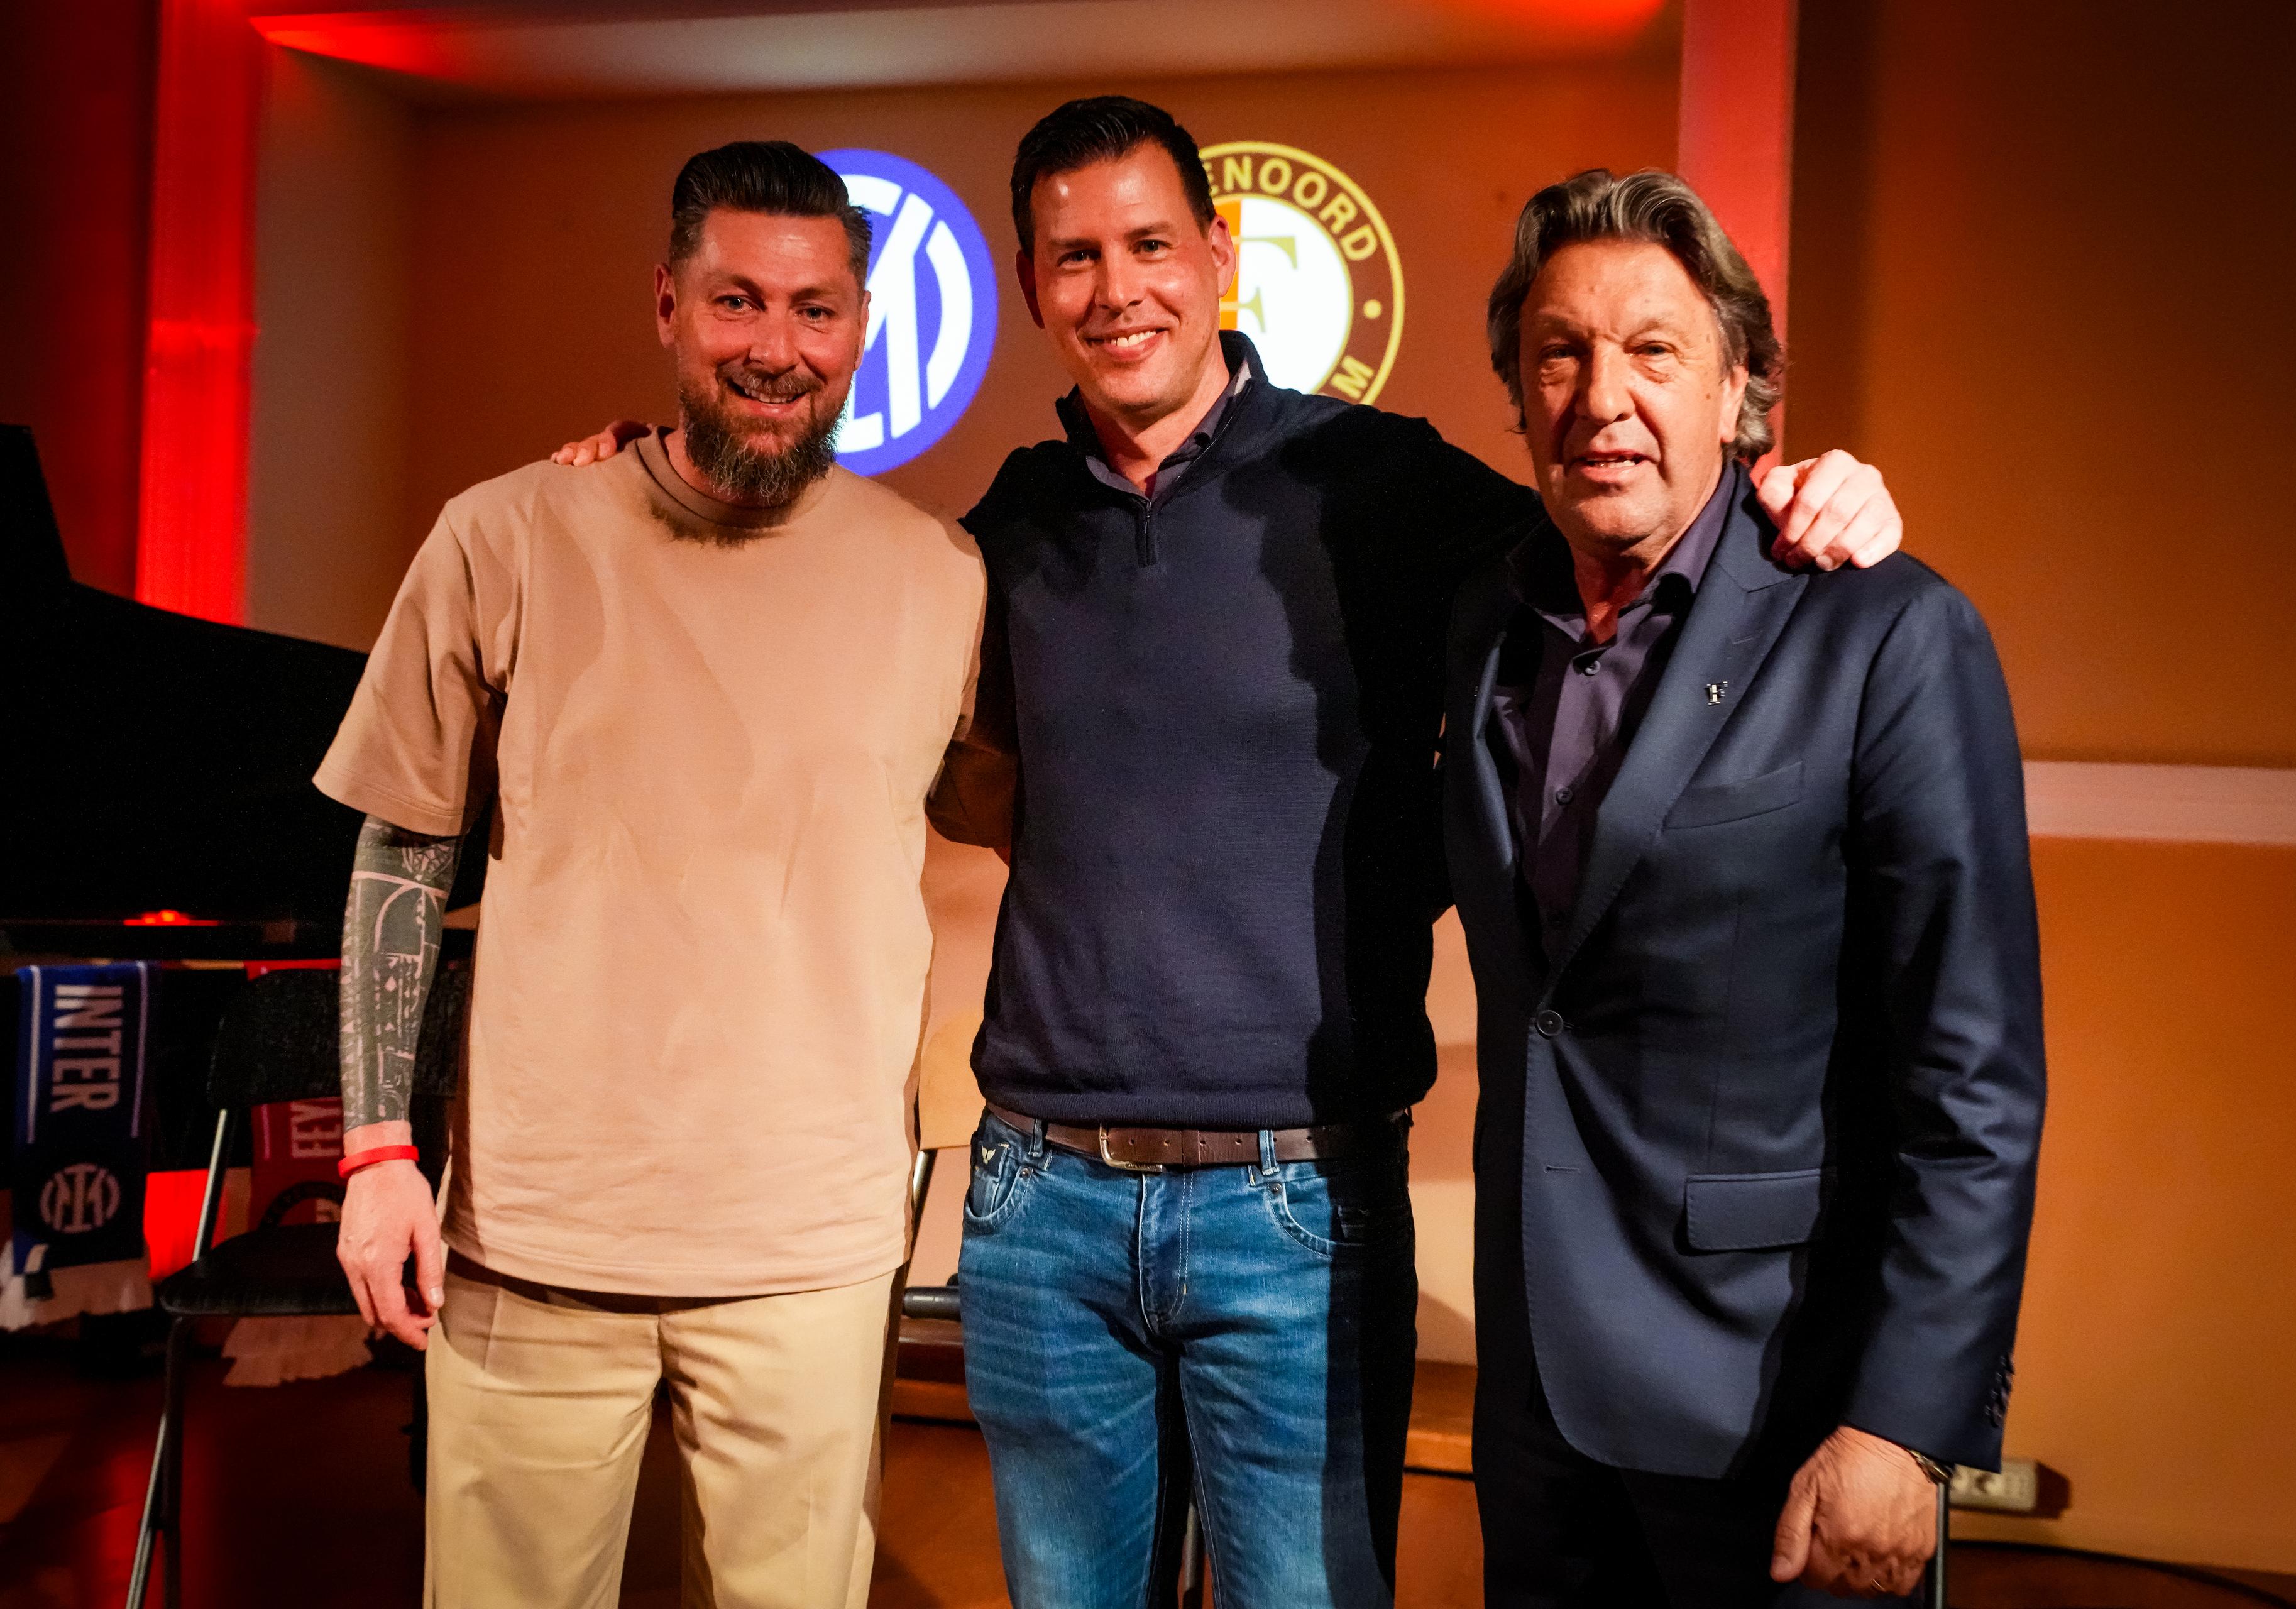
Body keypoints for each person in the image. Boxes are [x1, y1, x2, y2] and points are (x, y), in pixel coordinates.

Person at [558, 99, 1900, 1608]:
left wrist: (1798, 485)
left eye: (1148, 245)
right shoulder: (1008, 527)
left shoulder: (1385, 485)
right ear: (1031, 283)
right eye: (1074, 257)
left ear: (1218, 253)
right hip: (1039, 1205)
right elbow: (813, 597)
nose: (1116, 289)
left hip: (1297, 1208)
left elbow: (1631, 522)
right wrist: (645, 481)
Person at [322, 141, 986, 1609]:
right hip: (536, 1233)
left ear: (861, 327)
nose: (776, 346)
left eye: (815, 309)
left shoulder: (943, 574)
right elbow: (400, 847)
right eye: (736, 300)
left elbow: (1017, 805)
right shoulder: (504, 533)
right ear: (669, 306)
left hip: (812, 1245)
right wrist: (375, 1155)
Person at [1444, 167, 2045, 1606]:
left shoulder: (1885, 631)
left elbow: (1971, 1079)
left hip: (1780, 1406)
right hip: (1534, 1412)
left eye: (1654, 350)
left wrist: (1905, 1422)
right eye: (1561, 353)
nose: (1604, 397)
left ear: (1737, 390)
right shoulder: (1479, 624)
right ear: (1518, 392)